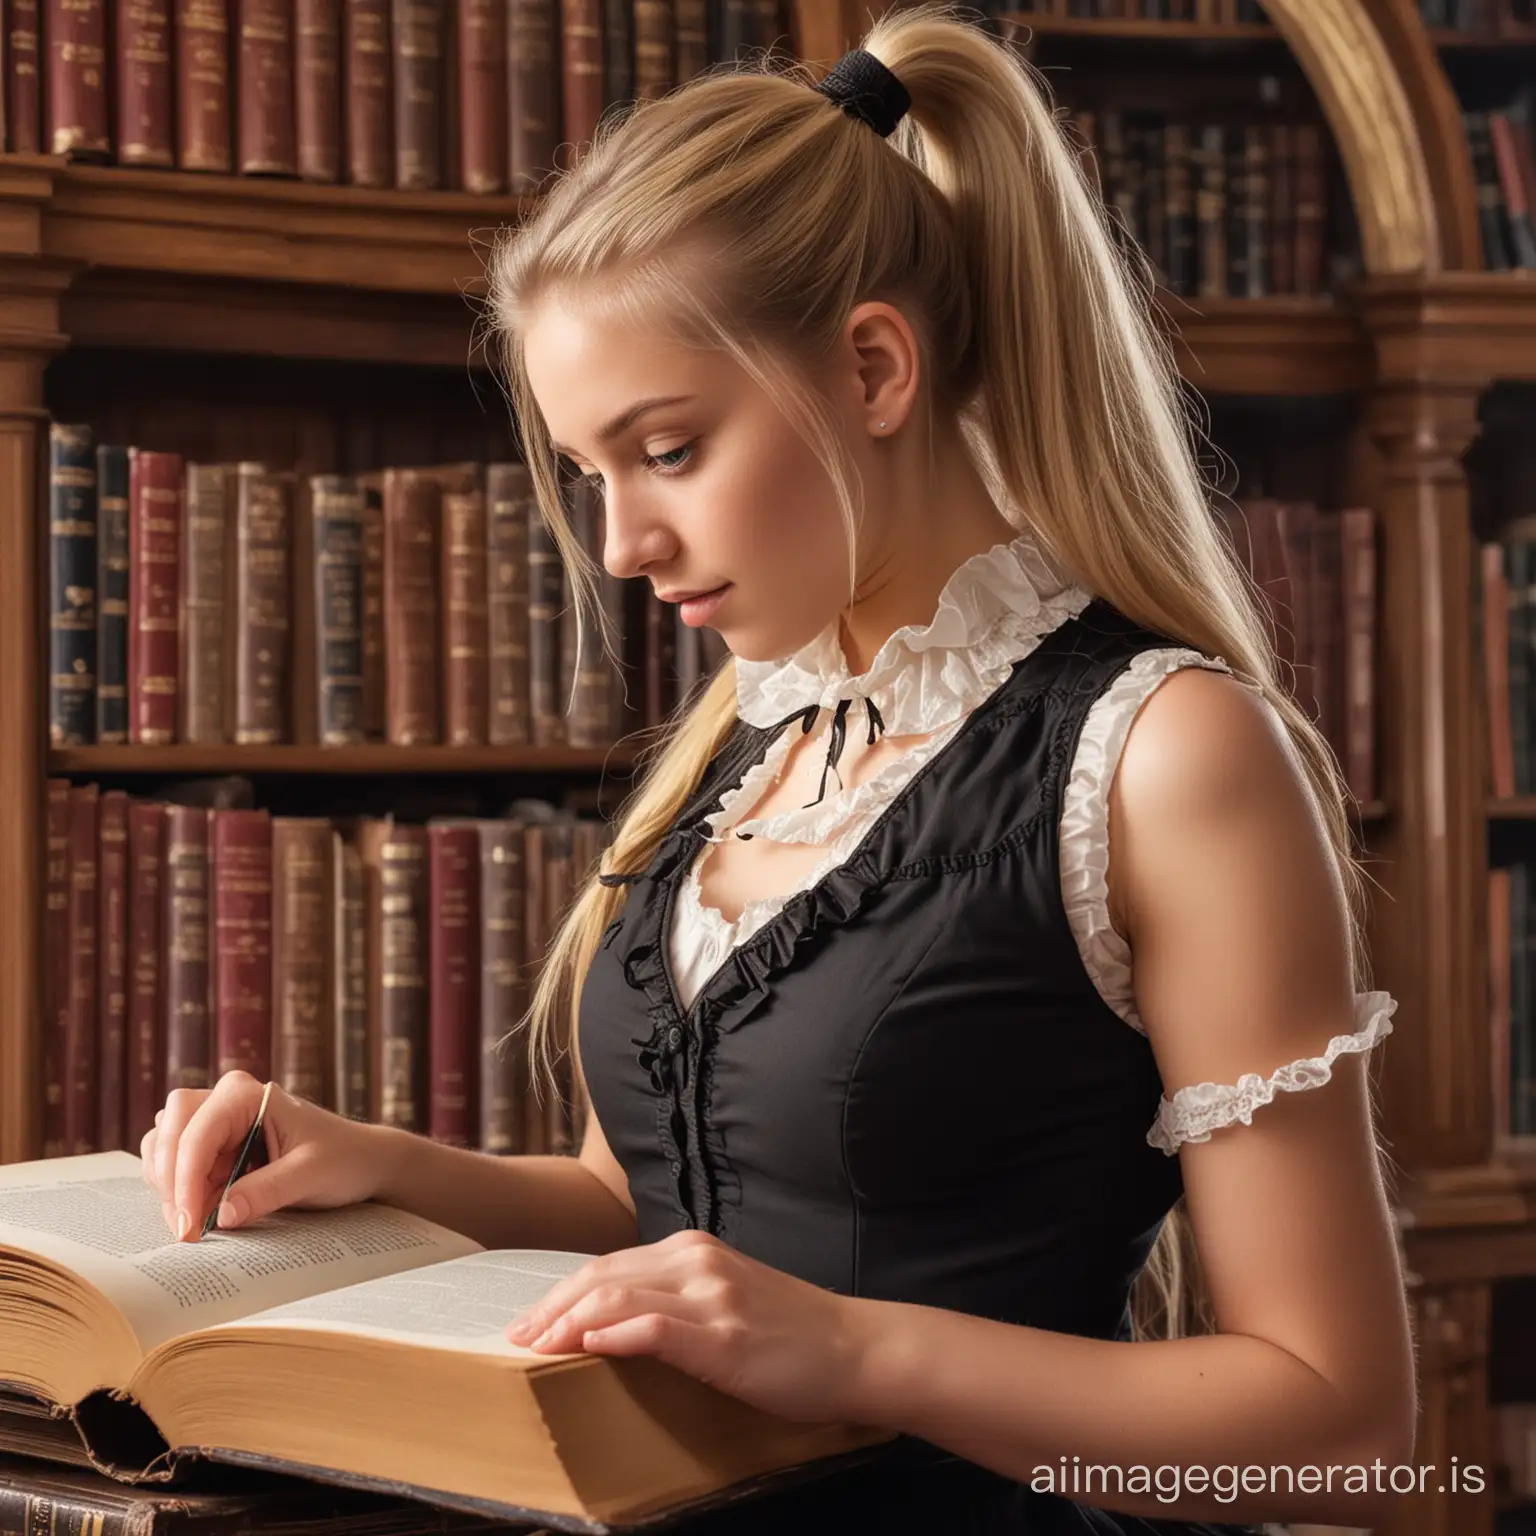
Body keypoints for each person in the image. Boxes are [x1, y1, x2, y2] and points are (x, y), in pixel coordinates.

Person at [141, 6, 1417, 1530]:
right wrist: (377, 1170)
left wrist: (857, 1351)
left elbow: (1340, 1427)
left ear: (875, 366)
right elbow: (649, 1214)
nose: (623, 546)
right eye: (592, 476)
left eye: (668, 450)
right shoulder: (743, 748)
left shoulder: (1167, 754)